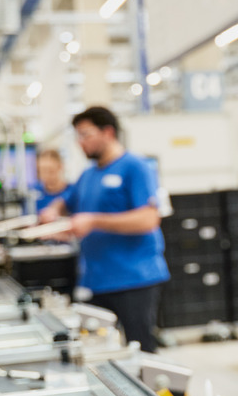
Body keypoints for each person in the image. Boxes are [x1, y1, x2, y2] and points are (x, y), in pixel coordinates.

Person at [40, 106, 169, 353]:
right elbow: (67, 203)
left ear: (108, 132)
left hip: (134, 280)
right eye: (77, 136)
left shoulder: (135, 167)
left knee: (140, 352)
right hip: (96, 282)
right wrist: (54, 211)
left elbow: (148, 219)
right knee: (98, 351)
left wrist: (94, 221)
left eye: (85, 134)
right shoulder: (88, 175)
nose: (81, 142)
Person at [33, 148, 70, 213]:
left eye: (51, 171)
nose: (46, 175)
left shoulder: (72, 191)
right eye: (42, 171)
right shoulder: (34, 192)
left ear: (60, 167)